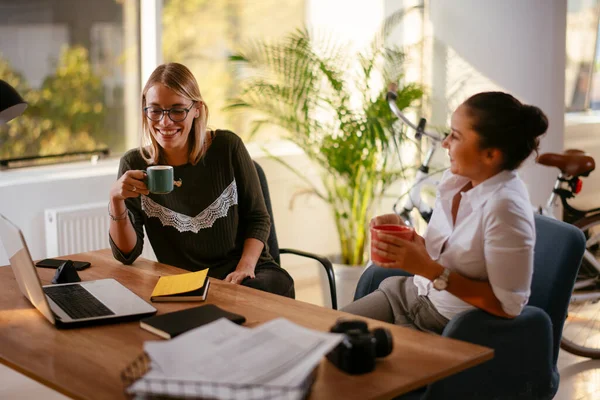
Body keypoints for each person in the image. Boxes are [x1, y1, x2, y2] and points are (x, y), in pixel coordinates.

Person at [342, 91, 548, 334]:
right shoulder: (456, 180)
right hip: (408, 296)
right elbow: (445, 255)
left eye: (456, 136)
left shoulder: (505, 209)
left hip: (448, 326)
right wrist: (405, 236)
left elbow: (508, 306)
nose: (445, 142)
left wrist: (431, 271)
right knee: (322, 336)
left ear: (491, 154)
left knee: (345, 358)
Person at [108, 62, 294, 298]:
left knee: (258, 292)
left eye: (177, 110)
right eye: (155, 110)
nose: (165, 122)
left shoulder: (228, 148)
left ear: (196, 109)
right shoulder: (134, 164)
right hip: (187, 283)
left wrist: (244, 268)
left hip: (248, 273)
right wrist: (116, 200)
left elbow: (258, 218)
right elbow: (128, 254)